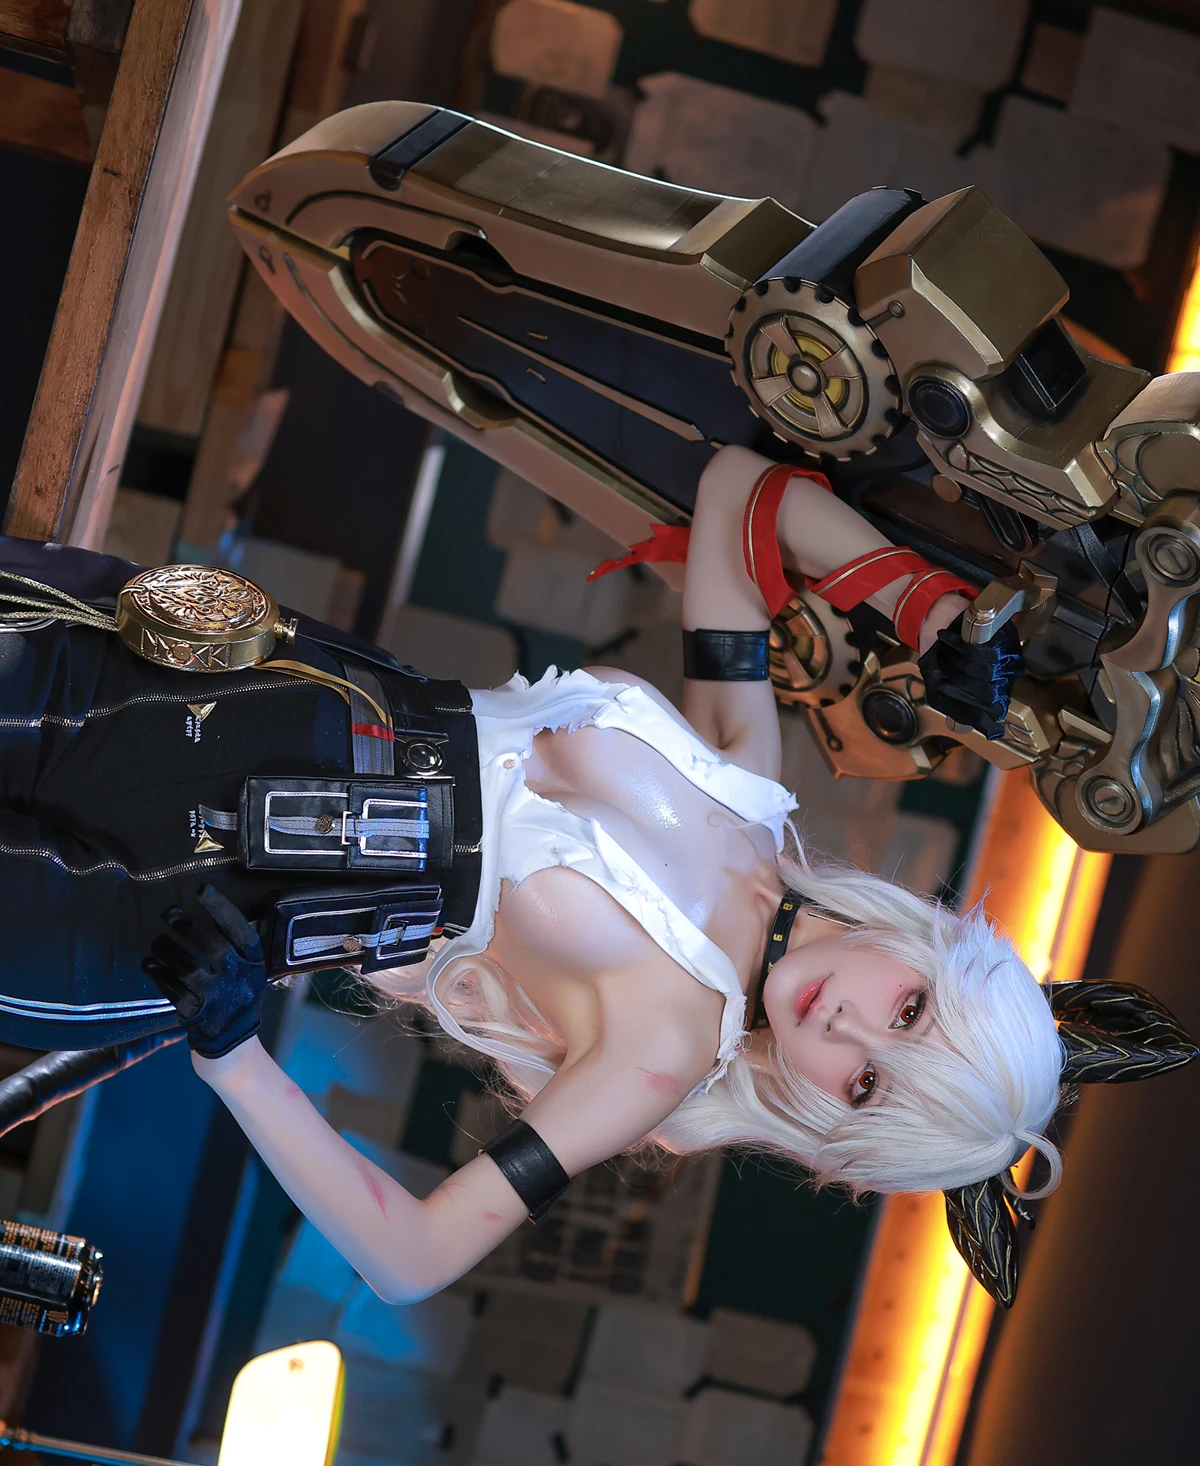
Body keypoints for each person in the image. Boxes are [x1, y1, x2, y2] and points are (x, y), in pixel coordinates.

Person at [0, 447, 1060, 1304]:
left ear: (834, 1136)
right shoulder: (746, 780)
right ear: (930, 945)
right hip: (202, 674)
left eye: (866, 1085)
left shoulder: (663, 1056)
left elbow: (412, 1257)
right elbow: (744, 494)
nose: (848, 1029)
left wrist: (235, 1058)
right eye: (910, 1011)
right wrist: (930, 613)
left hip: (170, 906)